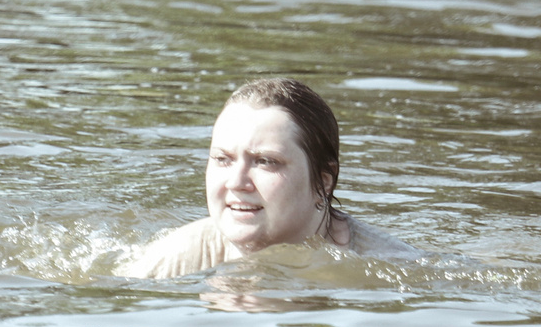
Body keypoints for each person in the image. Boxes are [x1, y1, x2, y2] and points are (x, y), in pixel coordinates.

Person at [119, 76, 417, 279]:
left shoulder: (387, 270)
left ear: (324, 182)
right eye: (223, 159)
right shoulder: (172, 259)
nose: (236, 182)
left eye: (265, 162)